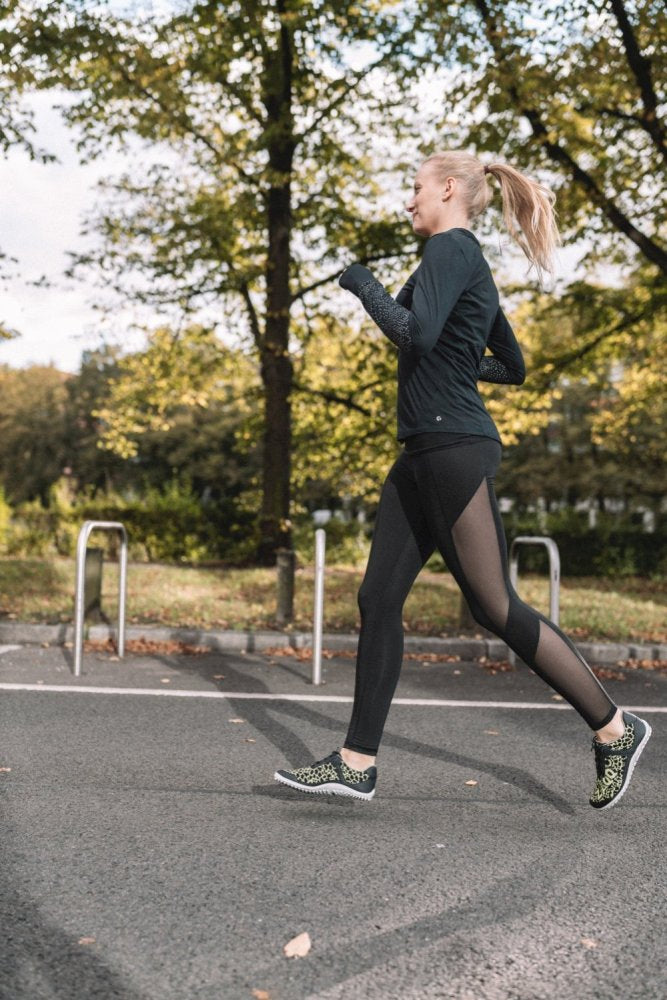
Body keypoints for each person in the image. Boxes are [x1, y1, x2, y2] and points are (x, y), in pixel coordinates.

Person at [274, 150, 651, 810]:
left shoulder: (452, 248)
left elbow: (415, 338)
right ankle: (357, 762)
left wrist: (362, 284)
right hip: (421, 449)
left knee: (492, 605)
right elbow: (510, 364)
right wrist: (449, 359)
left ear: (446, 189)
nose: (406, 200)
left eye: (414, 188)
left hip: (451, 446)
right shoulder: (454, 262)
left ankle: (615, 728)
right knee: (377, 598)